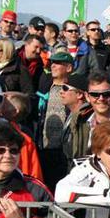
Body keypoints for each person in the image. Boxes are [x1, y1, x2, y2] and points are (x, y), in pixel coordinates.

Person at [62, 72, 110, 160]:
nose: (101, 99)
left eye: (106, 94)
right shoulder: (79, 121)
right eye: (95, 94)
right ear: (87, 96)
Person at [36, 51, 74, 188]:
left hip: (64, 151)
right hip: (44, 148)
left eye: (58, 63)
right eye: (52, 63)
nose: (53, 66)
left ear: (68, 68)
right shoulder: (45, 86)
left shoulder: (73, 90)